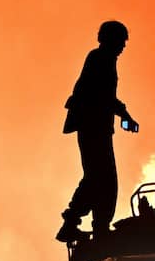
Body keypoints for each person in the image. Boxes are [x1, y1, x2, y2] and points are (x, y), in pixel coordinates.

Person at [57, 20, 139, 242]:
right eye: (121, 41)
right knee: (101, 178)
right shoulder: (100, 59)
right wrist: (124, 114)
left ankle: (93, 225)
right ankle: (78, 223)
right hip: (93, 128)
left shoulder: (102, 59)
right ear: (111, 39)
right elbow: (102, 96)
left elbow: (105, 97)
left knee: (100, 178)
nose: (123, 46)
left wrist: (122, 114)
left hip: (96, 128)